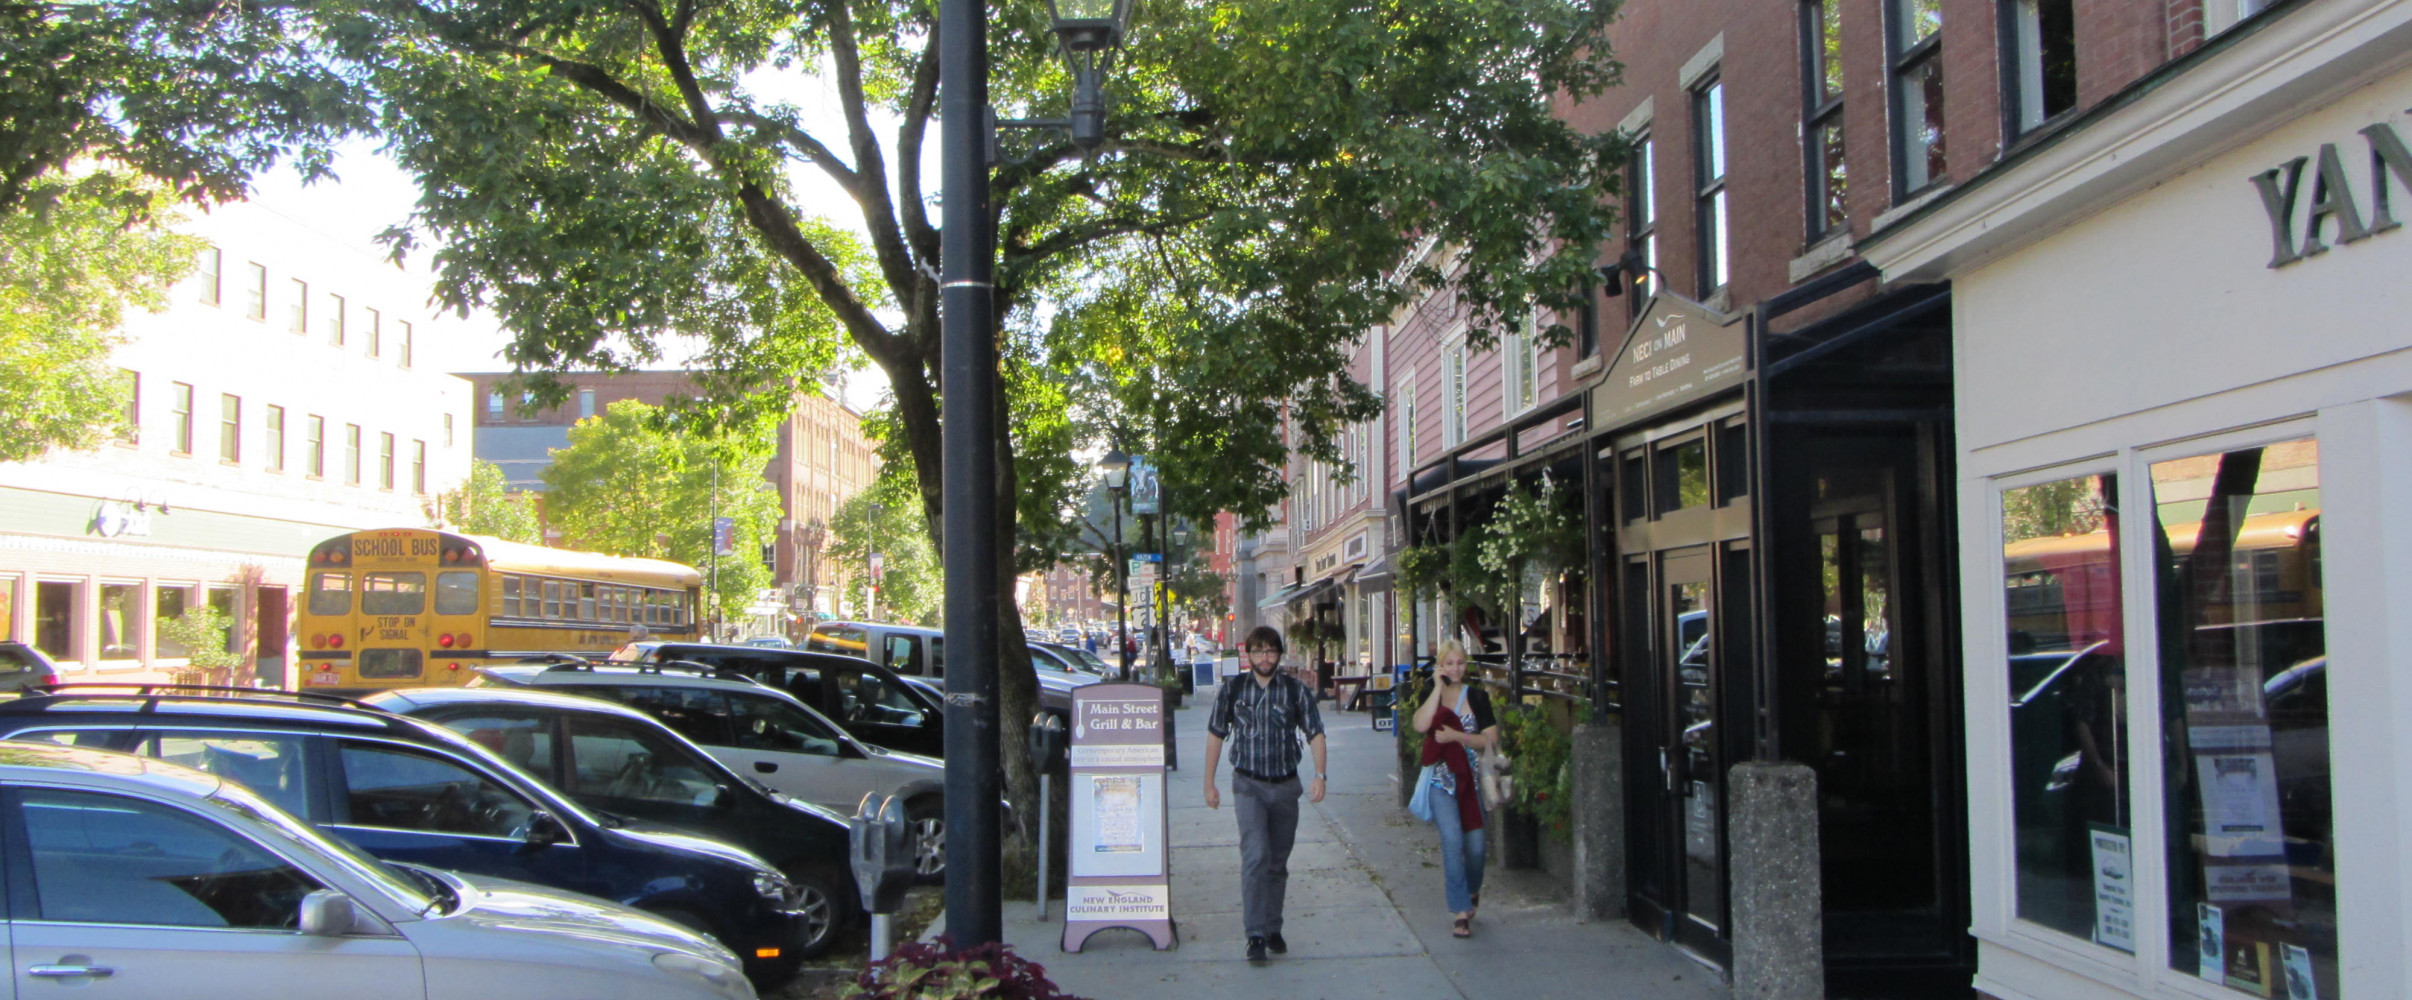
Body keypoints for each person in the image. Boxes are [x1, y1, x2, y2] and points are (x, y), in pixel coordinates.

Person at [1203, 625, 1327, 964]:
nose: (1265, 658)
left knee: (1277, 862)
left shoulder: (1294, 691)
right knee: (1255, 856)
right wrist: (1208, 783)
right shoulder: (1233, 690)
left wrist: (1319, 775)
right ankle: (1254, 934)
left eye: (1271, 651)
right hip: (1248, 785)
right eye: (1258, 651)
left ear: (1279, 654)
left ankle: (1273, 927)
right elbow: (1216, 734)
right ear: (1248, 655)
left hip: (1286, 786)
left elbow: (1315, 733)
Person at [1410, 639, 1498, 939]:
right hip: (1440, 780)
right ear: (1441, 665)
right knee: (1451, 839)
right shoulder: (1431, 692)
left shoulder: (1478, 697)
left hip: (1472, 782)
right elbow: (1420, 725)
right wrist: (1435, 688)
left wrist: (1458, 737)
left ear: (1466, 664)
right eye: (1449, 663)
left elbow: (1490, 740)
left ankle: (1472, 890)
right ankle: (1460, 911)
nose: (1455, 669)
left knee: (1475, 847)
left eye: (1460, 663)